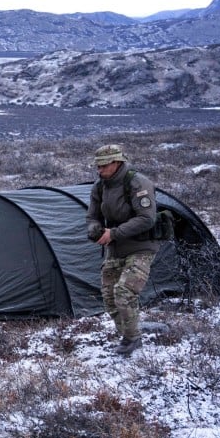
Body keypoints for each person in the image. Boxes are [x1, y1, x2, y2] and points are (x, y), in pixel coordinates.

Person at [86, 144, 160, 357]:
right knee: (109, 297)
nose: (99, 170)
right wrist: (95, 230)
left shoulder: (137, 183)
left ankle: (132, 340)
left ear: (117, 162)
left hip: (141, 247)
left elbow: (147, 218)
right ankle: (130, 331)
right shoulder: (100, 187)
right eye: (97, 166)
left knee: (123, 292)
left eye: (103, 166)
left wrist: (114, 233)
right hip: (115, 248)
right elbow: (92, 216)